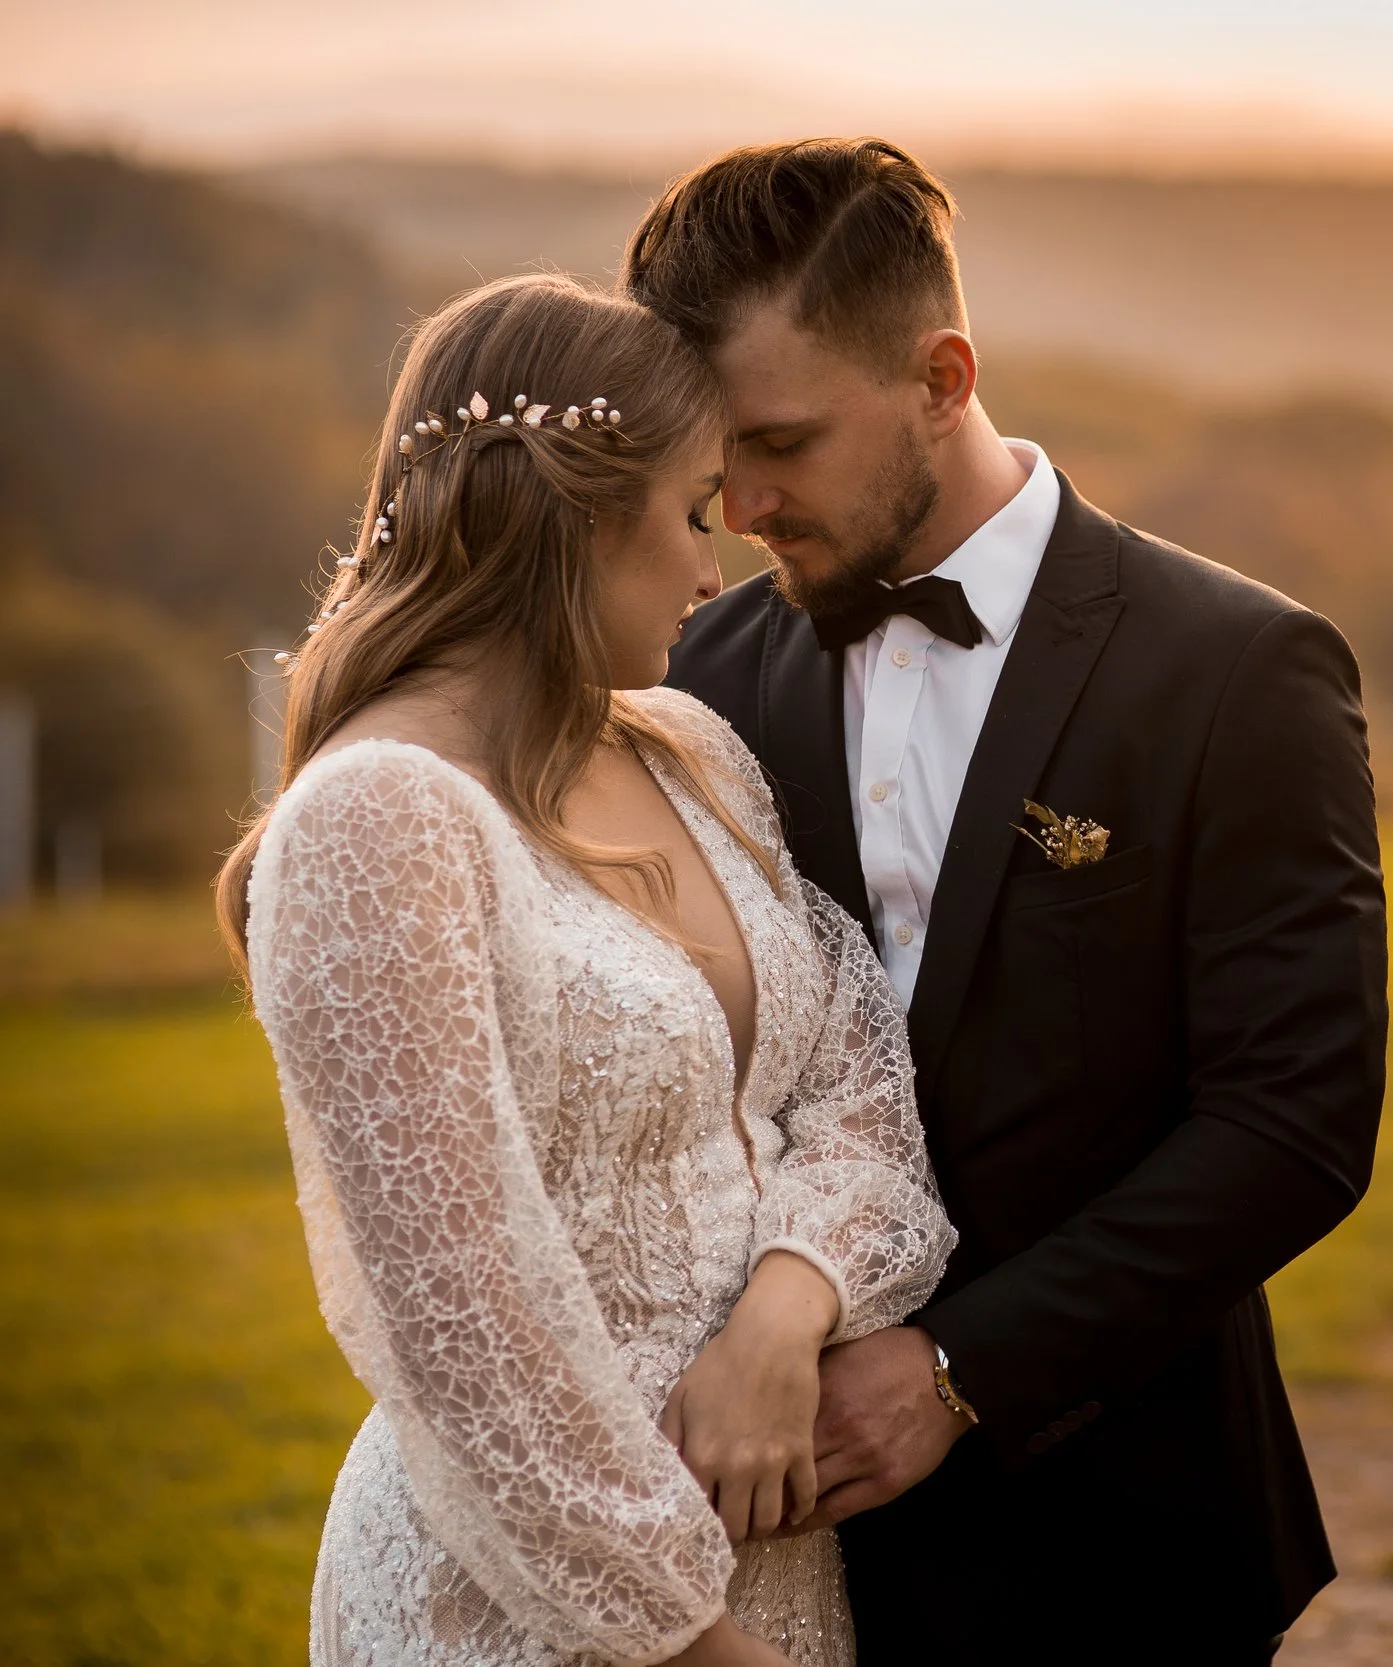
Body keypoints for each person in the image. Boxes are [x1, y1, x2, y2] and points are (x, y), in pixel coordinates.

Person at [630, 138, 1390, 1664]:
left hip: (1122, 1528)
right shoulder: (701, 674)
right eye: (717, 456)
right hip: (777, 1548)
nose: (742, 503)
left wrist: (961, 1364)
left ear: (942, 373)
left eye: (781, 441)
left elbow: (1293, 1122)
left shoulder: (1238, 669)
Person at [217, 273, 956, 1667]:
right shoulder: (381, 818)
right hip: (528, 1603)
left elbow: (860, 1088)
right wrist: (697, 1642)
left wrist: (783, 1313)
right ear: (568, 513)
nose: (711, 568)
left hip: (782, 1567)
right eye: (689, 512)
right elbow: (470, 1347)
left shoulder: (689, 749)